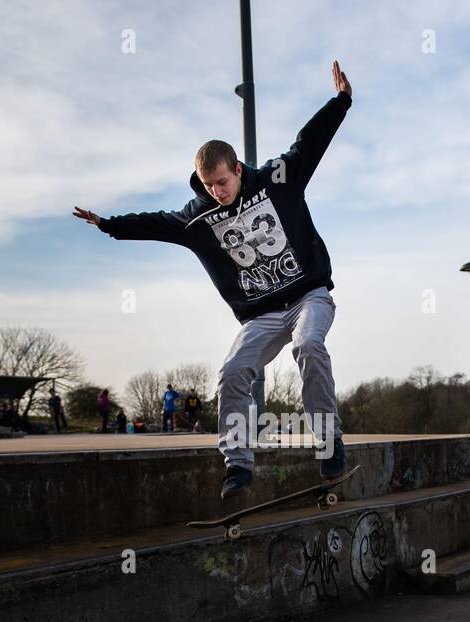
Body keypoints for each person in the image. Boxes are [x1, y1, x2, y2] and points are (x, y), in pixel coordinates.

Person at [75, 60, 353, 499]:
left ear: (238, 169)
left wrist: (341, 101)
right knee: (232, 372)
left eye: (222, 182)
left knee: (308, 345)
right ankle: (238, 465)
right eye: (209, 186)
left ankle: (328, 439)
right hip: (260, 316)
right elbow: (155, 223)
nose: (217, 193)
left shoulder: (279, 179)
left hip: (308, 297)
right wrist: (109, 224)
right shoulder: (198, 217)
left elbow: (310, 142)